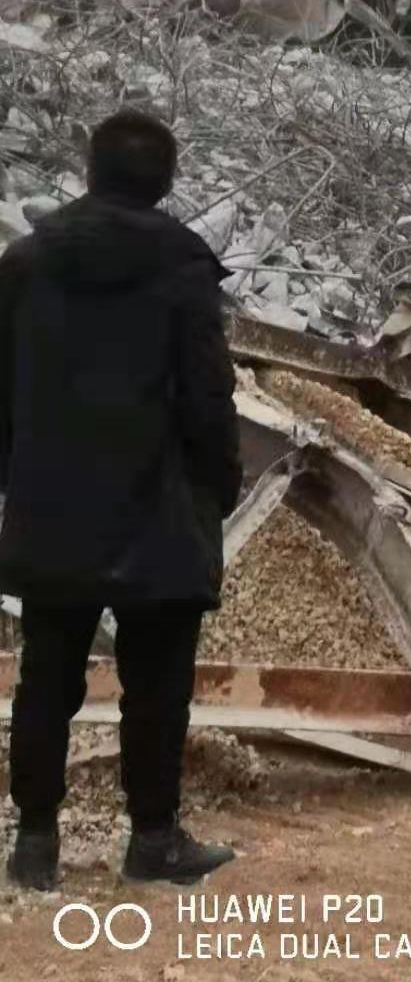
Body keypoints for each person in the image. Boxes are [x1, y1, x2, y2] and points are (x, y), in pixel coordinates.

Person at [0, 110, 243, 890]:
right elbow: (209, 395)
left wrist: (14, 481)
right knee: (158, 686)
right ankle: (153, 840)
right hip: (159, 506)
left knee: (46, 678)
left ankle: (35, 844)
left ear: (91, 171)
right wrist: (220, 485)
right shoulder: (184, 268)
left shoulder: (25, 263)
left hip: (52, 504)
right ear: (165, 181)